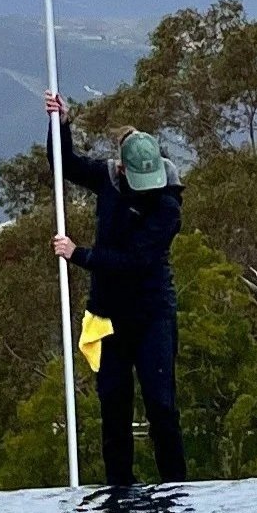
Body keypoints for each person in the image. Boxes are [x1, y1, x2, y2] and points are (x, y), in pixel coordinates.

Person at [45, 91, 187, 486]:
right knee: (114, 408)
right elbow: (64, 165)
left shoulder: (167, 206)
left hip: (151, 312)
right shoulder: (107, 176)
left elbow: (136, 263)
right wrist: (62, 124)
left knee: (161, 405)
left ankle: (175, 488)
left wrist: (79, 255)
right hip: (108, 314)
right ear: (123, 169)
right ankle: (118, 494)